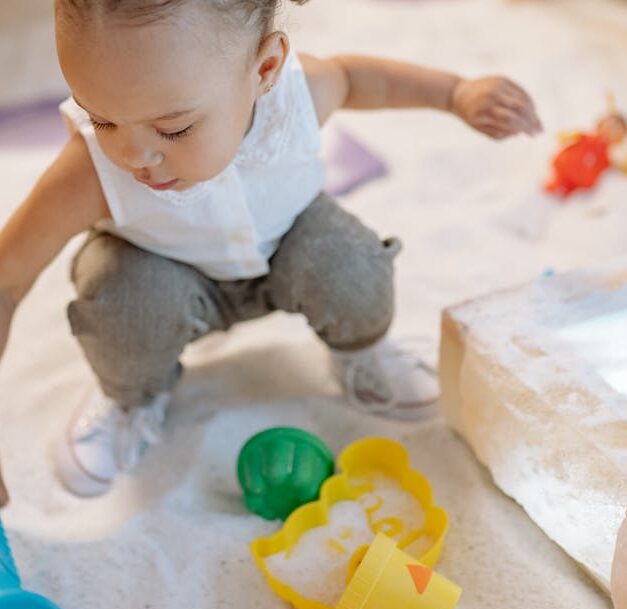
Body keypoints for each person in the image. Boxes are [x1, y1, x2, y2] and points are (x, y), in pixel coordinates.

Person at [0, 0, 542, 499]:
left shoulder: (300, 96)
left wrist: (454, 93)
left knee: (351, 264)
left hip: (289, 247)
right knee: (119, 300)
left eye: (174, 127)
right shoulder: (92, 168)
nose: (134, 153)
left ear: (263, 71)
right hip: (166, 280)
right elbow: (7, 277)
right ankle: (132, 400)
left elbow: (358, 78)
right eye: (102, 117)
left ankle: (361, 355)